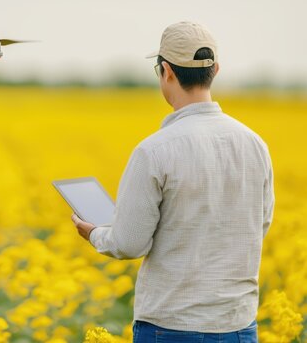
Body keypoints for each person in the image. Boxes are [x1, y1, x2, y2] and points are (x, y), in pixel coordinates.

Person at [71, 21, 274, 342]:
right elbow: (260, 225)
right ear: (216, 70)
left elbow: (129, 243)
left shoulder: (154, 150)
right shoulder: (255, 144)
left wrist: (95, 233)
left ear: (166, 71)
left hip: (171, 326)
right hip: (239, 325)